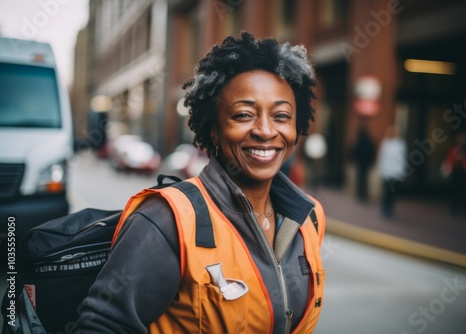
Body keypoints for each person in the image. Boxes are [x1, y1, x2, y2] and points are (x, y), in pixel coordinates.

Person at [76, 32, 326, 333]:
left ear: (296, 128)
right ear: (215, 131)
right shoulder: (167, 220)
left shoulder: (310, 217)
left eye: (281, 116)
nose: (264, 130)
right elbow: (101, 325)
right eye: (244, 114)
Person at [442, 132, 466, 217]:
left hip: (465, 172)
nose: (462, 140)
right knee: (455, 190)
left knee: (465, 191)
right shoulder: (454, 149)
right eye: (460, 139)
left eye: (463, 139)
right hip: (456, 171)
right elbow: (450, 159)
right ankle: (455, 209)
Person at [377, 125, 407, 218]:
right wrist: (380, 170)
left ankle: (390, 207)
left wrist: (402, 171)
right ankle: (385, 208)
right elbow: (381, 157)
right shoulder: (385, 143)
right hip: (387, 172)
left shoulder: (401, 144)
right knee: (387, 191)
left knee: (393, 192)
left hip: (396, 173)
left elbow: (403, 158)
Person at [351, 125, 376, 202]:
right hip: (366, 163)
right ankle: (363, 193)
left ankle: (360, 193)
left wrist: (355, 159)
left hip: (360, 163)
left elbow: (355, 151)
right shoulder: (369, 141)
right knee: (365, 178)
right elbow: (372, 151)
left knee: (360, 178)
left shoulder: (359, 141)